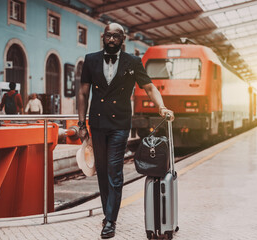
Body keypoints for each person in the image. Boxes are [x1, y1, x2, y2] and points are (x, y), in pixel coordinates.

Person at [77, 22, 174, 239]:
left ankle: (110, 221)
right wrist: (81, 123)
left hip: (120, 124)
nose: (111, 40)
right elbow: (83, 93)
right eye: (108, 36)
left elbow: (149, 87)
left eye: (116, 36)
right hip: (98, 123)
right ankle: (107, 214)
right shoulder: (91, 60)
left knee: (114, 171)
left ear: (123, 39)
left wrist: (161, 106)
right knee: (101, 171)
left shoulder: (133, 61)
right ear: (103, 37)